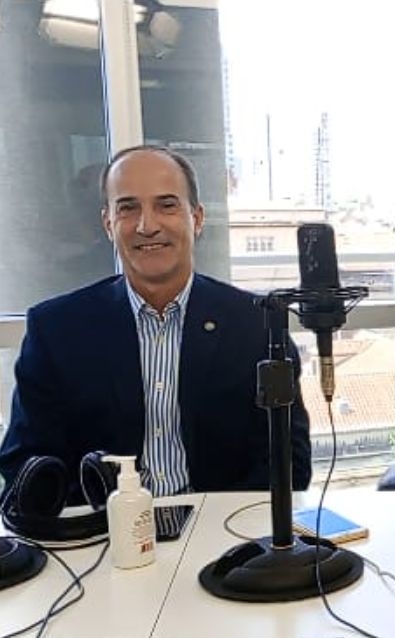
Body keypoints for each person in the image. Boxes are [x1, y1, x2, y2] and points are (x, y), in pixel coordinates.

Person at [0, 145, 312, 503]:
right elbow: (25, 466)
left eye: (166, 205)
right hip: (100, 529)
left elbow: (290, 462)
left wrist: (218, 522)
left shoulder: (257, 325)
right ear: (108, 224)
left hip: (220, 526)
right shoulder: (56, 330)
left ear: (196, 218)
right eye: (128, 208)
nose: (147, 226)